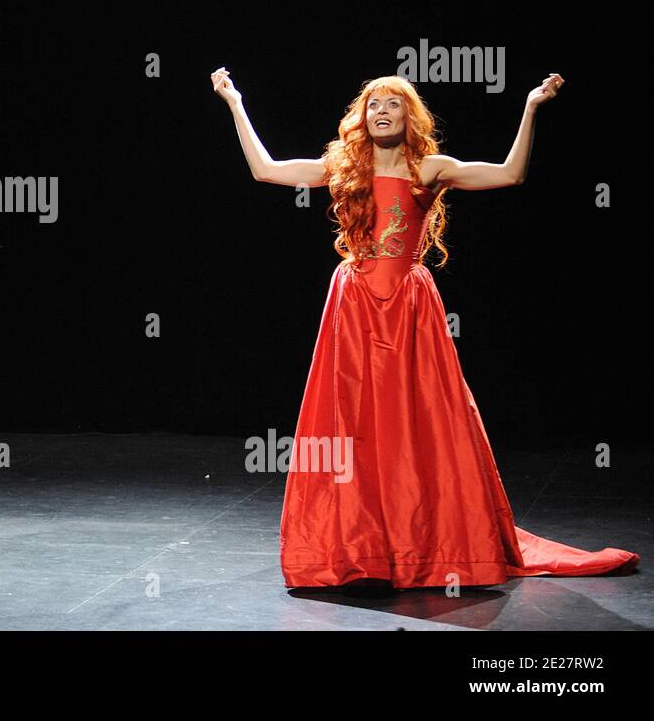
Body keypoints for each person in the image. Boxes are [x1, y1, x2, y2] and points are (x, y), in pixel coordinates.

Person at [213, 68, 639, 591]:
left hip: (409, 305)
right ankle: (359, 543)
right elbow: (266, 170)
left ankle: (424, 540)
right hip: (354, 303)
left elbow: (509, 174)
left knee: (421, 414)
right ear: (362, 118)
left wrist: (530, 108)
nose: (382, 111)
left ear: (408, 116)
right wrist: (235, 102)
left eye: (393, 103)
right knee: (353, 419)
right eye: (373, 105)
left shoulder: (430, 168)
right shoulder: (343, 166)